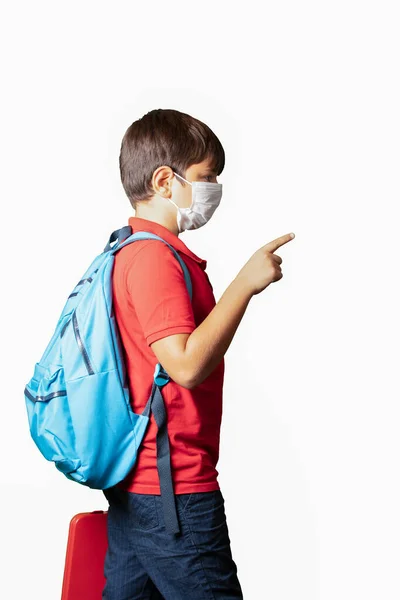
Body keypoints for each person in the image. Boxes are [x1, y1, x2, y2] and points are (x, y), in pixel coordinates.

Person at [102, 108, 295, 599]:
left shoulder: (131, 251)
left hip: (141, 485)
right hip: (174, 491)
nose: (214, 189)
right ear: (166, 180)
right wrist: (245, 285)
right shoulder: (152, 258)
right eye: (206, 177)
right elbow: (184, 364)